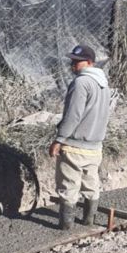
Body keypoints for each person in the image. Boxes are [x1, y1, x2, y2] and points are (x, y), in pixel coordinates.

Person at [49, 45, 111, 230]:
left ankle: (66, 226)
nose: (73, 65)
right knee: (91, 183)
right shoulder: (104, 84)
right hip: (95, 146)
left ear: (90, 62)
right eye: (72, 61)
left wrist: (59, 139)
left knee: (68, 185)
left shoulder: (81, 83)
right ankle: (88, 221)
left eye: (77, 61)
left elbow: (73, 115)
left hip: (75, 145)